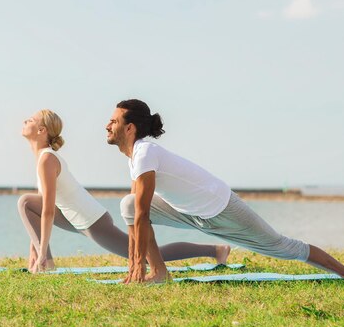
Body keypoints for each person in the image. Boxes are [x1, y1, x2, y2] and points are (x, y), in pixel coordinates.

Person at [106, 99, 344, 284]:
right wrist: (132, 266)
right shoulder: (135, 157)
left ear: (130, 128)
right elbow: (136, 213)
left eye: (114, 121)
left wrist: (138, 263)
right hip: (189, 212)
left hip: (222, 209)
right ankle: (160, 274)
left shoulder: (145, 153)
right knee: (127, 204)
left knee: (283, 246)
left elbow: (143, 214)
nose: (108, 125)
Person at [17, 109, 230, 273]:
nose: (25, 121)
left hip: (93, 222)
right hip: (70, 217)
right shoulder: (42, 159)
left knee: (149, 255)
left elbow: (47, 212)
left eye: (31, 120)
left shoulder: (47, 159)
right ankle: (45, 264)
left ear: (41, 131)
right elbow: (41, 210)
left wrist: (42, 251)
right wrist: (34, 254)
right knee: (27, 203)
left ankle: (215, 250)